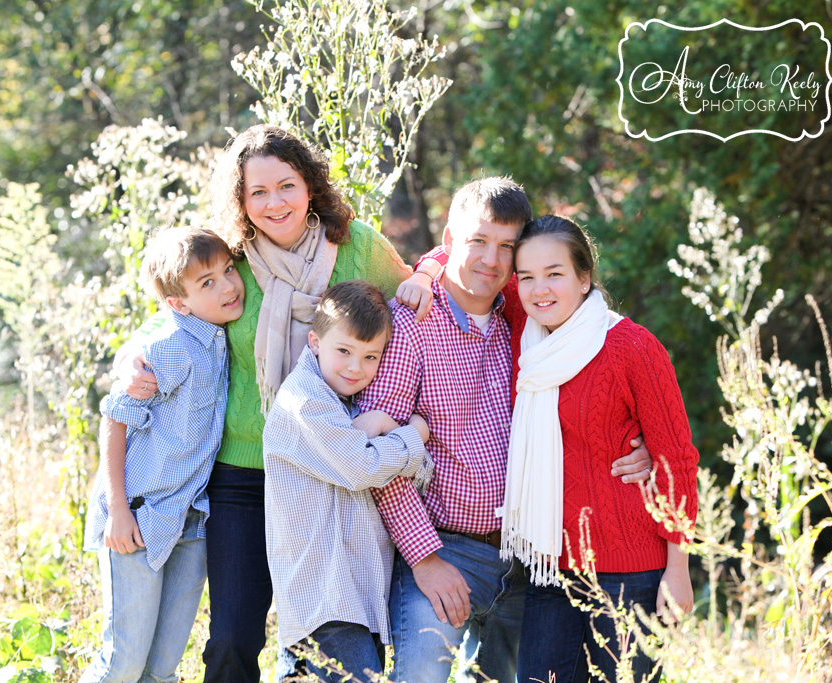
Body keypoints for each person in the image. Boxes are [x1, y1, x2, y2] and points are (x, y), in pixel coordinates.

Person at [114, 125, 415, 683]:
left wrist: (425, 281)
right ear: (242, 201)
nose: (275, 203)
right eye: (258, 192)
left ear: (310, 186)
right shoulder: (232, 263)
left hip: (330, 471)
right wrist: (132, 357)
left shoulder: (358, 247)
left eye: (287, 186)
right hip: (243, 476)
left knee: (332, 638)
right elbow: (173, 316)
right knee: (231, 638)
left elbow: (419, 300)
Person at [359, 178, 654, 683]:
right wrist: (425, 559)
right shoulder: (409, 322)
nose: (491, 261)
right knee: (419, 678)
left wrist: (640, 438)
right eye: (478, 242)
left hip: (525, 558)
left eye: (507, 248)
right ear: (451, 241)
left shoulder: (523, 321)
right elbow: (378, 453)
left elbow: (594, 375)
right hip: (441, 549)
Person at [501, 215, 698, 683]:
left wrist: (679, 568)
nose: (539, 289)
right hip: (550, 570)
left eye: (555, 274)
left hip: (631, 573)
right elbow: (465, 259)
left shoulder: (632, 346)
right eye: (526, 276)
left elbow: (677, 460)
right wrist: (425, 274)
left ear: (584, 278)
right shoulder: (525, 337)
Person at [81, 226, 245, 683]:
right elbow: (114, 418)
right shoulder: (170, 347)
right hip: (138, 517)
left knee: (162, 667)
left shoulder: (221, 336)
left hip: (191, 521)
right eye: (207, 283)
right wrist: (117, 510)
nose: (229, 286)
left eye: (228, 270)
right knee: (123, 663)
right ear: (178, 303)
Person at [263, 280, 433, 682]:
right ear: (315, 341)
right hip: (323, 596)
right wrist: (412, 435)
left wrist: (377, 426)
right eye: (344, 351)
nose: (356, 368)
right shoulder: (304, 402)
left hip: (356, 595)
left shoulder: (350, 398)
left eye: (371, 356)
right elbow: (360, 468)